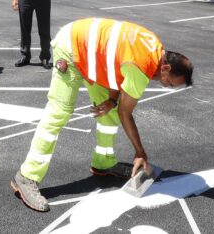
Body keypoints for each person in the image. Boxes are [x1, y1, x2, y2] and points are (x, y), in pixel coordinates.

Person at [10, 18, 193, 212]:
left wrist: (112, 100)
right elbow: (126, 112)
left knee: (108, 111)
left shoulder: (156, 49)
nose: (167, 87)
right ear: (165, 68)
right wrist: (140, 152)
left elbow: (117, 67)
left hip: (93, 55)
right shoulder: (141, 65)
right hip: (71, 47)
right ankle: (27, 176)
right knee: (59, 112)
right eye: (171, 83)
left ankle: (103, 162)